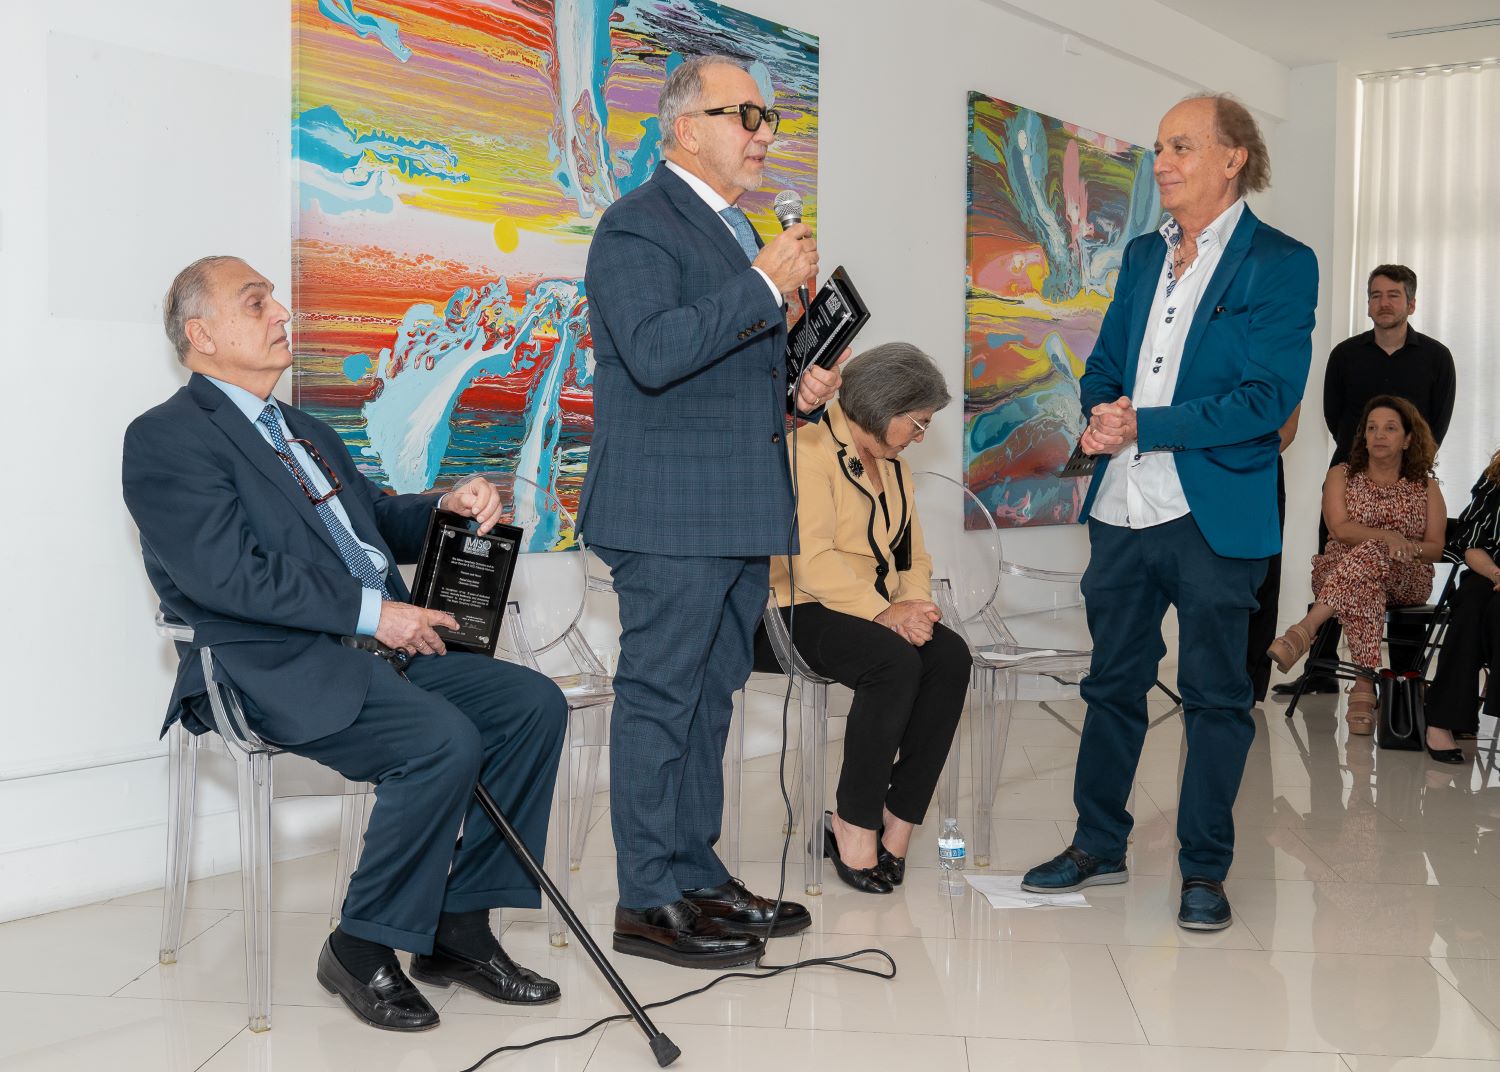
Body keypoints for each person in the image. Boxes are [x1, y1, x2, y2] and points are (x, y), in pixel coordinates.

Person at [122, 257, 568, 1032]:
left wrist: (446, 504)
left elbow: (374, 522)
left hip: (375, 650)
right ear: (202, 335)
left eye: (275, 299)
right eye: (256, 302)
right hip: (270, 665)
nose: (281, 312)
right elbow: (229, 577)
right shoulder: (165, 439)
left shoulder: (301, 429)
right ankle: (359, 949)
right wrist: (374, 614)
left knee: (532, 703)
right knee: (440, 741)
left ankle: (457, 929)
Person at [1020, 93, 1317, 934]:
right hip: (1122, 506)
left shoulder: (1281, 262)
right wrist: (1103, 411)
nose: (1162, 163)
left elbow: (1267, 398)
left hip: (1215, 510)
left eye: (1181, 146)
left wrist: (1146, 423)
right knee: (1112, 684)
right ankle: (1097, 843)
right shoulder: (1145, 257)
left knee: (1217, 697)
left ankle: (1204, 870)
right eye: (1158, 148)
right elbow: (1106, 359)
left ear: (1233, 158)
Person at [579, 55, 841, 969]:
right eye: (749, 115)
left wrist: (796, 391)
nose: (767, 133)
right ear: (686, 127)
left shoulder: (734, 233)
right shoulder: (636, 226)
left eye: (771, 117)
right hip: (668, 510)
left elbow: (721, 372)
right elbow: (652, 354)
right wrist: (765, 286)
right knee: (659, 702)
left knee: (709, 701)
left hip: (735, 508)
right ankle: (645, 900)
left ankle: (693, 872)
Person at [752, 343, 970, 894]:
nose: (921, 436)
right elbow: (809, 560)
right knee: (893, 661)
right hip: (789, 612)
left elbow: (911, 556)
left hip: (868, 615)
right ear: (884, 406)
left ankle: (897, 823)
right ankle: (852, 823)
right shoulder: (809, 448)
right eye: (917, 423)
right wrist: (887, 613)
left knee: (948, 655)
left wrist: (915, 606)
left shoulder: (895, 468)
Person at [1276, 264, 1456, 696]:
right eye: (1375, 295)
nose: (1384, 303)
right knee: (1341, 552)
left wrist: (1401, 464)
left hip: (1408, 479)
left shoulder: (1436, 357)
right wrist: (1362, 463)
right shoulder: (1345, 355)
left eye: (1393, 295)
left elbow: (1438, 422)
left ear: (1411, 303)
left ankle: (1371, 671)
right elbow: (1336, 418)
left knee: (1358, 559)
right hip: (1351, 478)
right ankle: (1329, 672)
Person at [1268, 396, 1445, 748]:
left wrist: (1401, 548)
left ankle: (1307, 630)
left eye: (1390, 428)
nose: (1379, 435)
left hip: (1405, 578)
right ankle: (1364, 685)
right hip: (1340, 574)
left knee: (1372, 557)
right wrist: (1388, 538)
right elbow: (1338, 529)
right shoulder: (1341, 474)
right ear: (1363, 436)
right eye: (1372, 428)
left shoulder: (1425, 486)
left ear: (1408, 438)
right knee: (1368, 573)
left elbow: (1436, 548)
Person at [1425, 446, 1500, 751]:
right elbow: (1469, 542)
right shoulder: (1494, 477)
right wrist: (1496, 574)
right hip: (1488, 572)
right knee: (1469, 605)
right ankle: (1443, 721)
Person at [1245, 405, 1300, 702]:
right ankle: (1208, 677)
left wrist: (1246, 459)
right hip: (1208, 472)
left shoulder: (1283, 358)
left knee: (1263, 576)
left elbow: (1288, 428)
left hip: (1261, 468)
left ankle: (1250, 683)